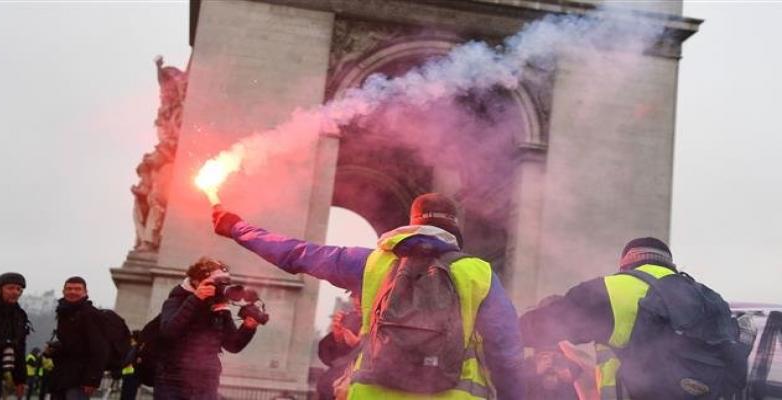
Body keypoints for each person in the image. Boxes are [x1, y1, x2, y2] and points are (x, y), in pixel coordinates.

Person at [212, 192, 523, 399]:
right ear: (455, 231)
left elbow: (297, 254)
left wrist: (237, 227)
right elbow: (507, 353)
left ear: (412, 224)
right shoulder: (479, 274)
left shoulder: (371, 263)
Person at [519, 237, 749, 399]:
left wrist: (499, 331)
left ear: (626, 262)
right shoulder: (707, 298)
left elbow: (546, 324)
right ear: (669, 263)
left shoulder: (612, 290)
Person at [154, 257, 259, 400]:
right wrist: (196, 299)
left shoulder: (219, 306)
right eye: (216, 282)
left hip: (206, 380)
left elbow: (233, 345)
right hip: (173, 379)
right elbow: (169, 332)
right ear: (197, 281)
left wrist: (248, 328)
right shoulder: (177, 299)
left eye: (225, 283)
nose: (221, 287)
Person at [49, 276, 109, 400]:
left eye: (77, 289)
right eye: (69, 288)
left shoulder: (91, 314)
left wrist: (92, 380)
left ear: (86, 292)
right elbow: (71, 344)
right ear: (63, 291)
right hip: (62, 376)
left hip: (80, 379)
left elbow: (100, 349)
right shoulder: (64, 313)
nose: (73, 292)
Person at [0, 272, 30, 400]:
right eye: (10, 288)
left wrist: (20, 379)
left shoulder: (19, 316)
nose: (15, 292)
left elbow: (19, 348)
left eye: (19, 289)